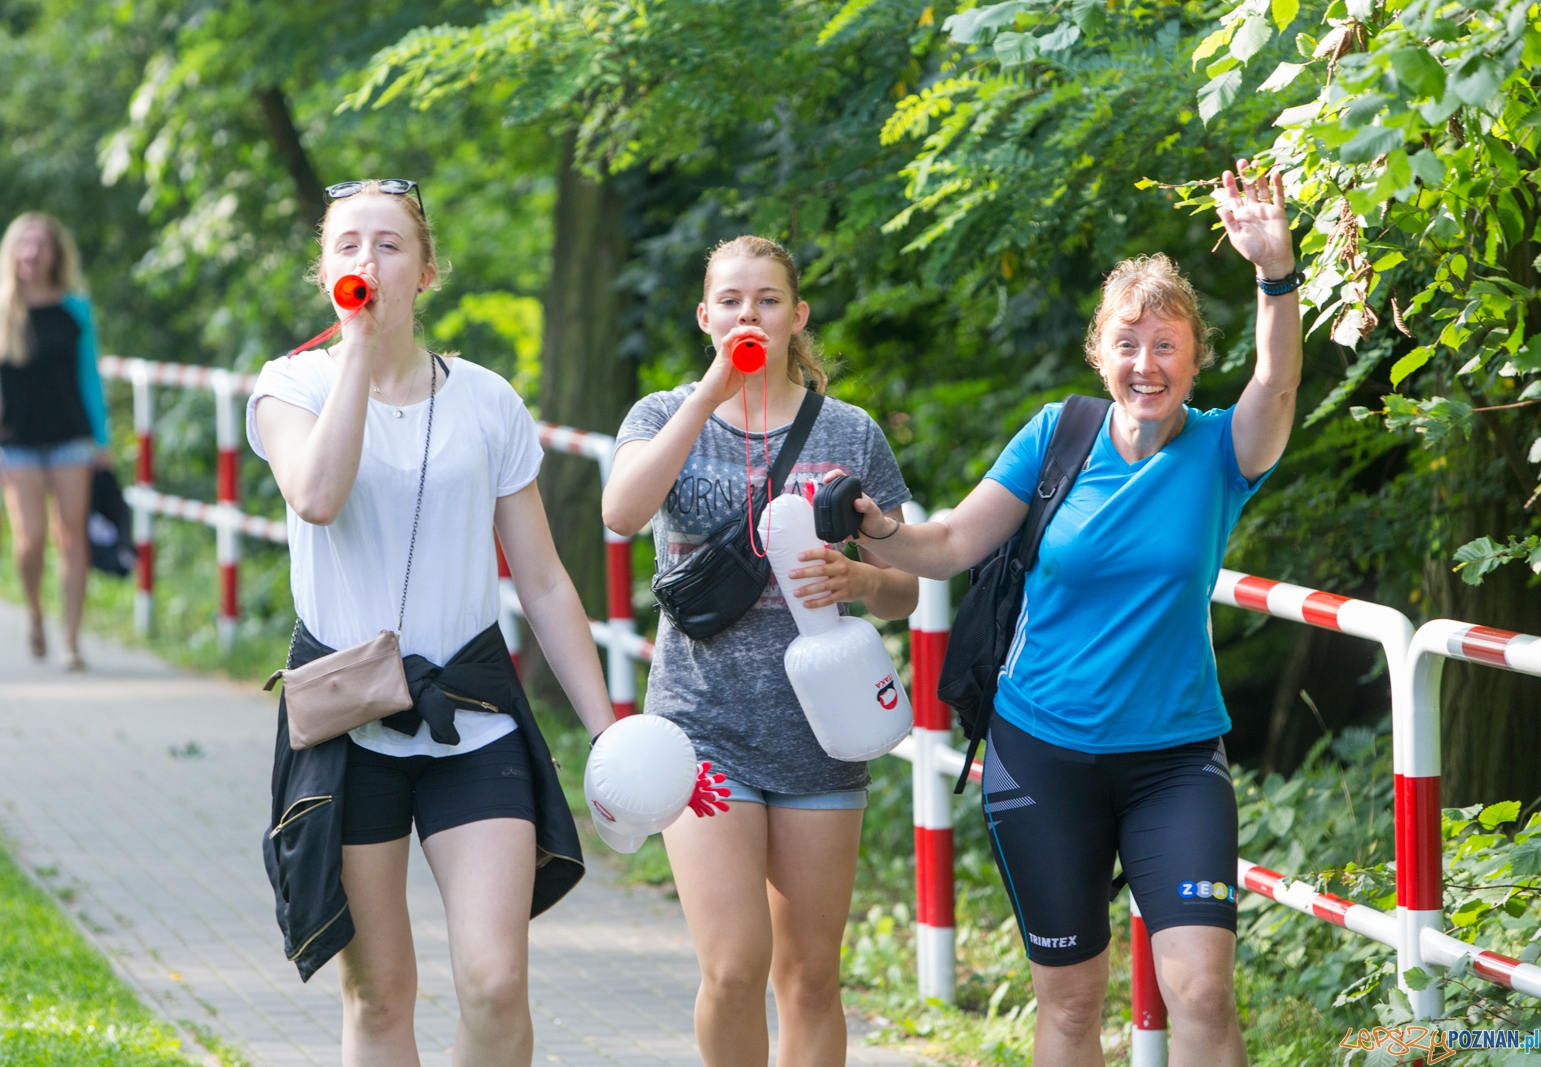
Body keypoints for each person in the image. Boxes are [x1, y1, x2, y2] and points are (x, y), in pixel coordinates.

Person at [835, 162, 1300, 1067]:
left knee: (1202, 987)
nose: (1146, 364)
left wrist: (1273, 274)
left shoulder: (1220, 451)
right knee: (1073, 1005)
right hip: (1042, 751)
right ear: (1100, 352)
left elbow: (1278, 385)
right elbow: (952, 545)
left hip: (1173, 757)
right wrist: (879, 530)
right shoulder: (1058, 434)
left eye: (1167, 346)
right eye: (1129, 343)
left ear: (1196, 358)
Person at [249, 179, 616, 1067]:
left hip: (473, 718)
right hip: (346, 725)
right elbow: (319, 495)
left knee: (494, 983)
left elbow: (545, 579)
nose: (366, 262)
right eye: (347, 246)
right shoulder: (289, 387)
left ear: (427, 272)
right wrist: (358, 357)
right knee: (380, 998)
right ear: (324, 271)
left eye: (388, 245)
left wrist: (607, 731)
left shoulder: (488, 400)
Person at [602, 235, 918, 1067]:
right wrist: (710, 394)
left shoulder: (850, 433)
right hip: (701, 729)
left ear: (797, 315)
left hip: (824, 731)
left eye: (768, 299)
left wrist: (854, 575)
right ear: (705, 316)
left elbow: (905, 587)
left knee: (811, 974)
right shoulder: (661, 414)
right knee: (735, 964)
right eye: (732, 301)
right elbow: (621, 512)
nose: (751, 313)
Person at [0, 213, 111, 671]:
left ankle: (70, 639)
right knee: (30, 540)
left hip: (70, 438)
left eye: (40, 245)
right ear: (13, 253)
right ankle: (33, 610)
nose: (32, 254)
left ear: (54, 253)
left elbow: (89, 377)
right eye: (24, 246)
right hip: (18, 442)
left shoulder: (76, 309)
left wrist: (101, 439)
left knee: (72, 539)